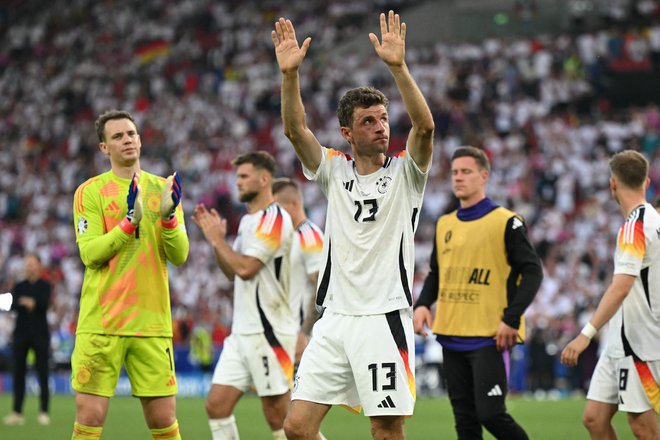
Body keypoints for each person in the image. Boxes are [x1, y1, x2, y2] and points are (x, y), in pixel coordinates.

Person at [273, 10, 435, 440]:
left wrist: (398, 67)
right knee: (297, 428)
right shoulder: (333, 169)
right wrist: (290, 76)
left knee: (385, 430)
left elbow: (425, 126)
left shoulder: (406, 174)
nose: (380, 127)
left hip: (383, 316)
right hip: (335, 319)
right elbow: (295, 129)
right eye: (368, 121)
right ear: (347, 132)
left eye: (382, 119)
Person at [71, 109, 188, 440]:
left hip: (151, 324)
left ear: (140, 139)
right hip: (102, 324)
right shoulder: (90, 192)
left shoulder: (162, 189)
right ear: (104, 148)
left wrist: (167, 219)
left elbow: (180, 255)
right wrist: (128, 223)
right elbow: (90, 254)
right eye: (118, 136)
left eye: (131, 134)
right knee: (90, 416)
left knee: (164, 420)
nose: (127, 140)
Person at [413, 146, 543, 440]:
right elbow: (436, 272)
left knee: (492, 414)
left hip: (489, 335)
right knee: (465, 422)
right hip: (451, 333)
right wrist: (422, 304)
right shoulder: (445, 223)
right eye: (455, 172)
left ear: (484, 176)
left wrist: (512, 319)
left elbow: (533, 271)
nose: (458, 178)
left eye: (466, 172)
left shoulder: (507, 221)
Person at [192, 151, 296, 440]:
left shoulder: (274, 219)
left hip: (269, 332)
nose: (237, 182)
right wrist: (217, 244)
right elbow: (232, 271)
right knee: (216, 406)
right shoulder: (250, 221)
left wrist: (217, 240)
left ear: (264, 179)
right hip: (243, 332)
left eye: (243, 176)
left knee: (279, 418)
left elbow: (247, 268)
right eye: (237, 176)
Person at [560, 150, 660, 440]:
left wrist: (585, 335)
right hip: (619, 339)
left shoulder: (636, 226)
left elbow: (621, 286)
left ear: (612, 184)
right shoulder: (649, 219)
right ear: (647, 182)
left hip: (639, 343)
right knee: (594, 418)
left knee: (643, 428)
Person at [271, 177, 324, 365]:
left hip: (304, 340)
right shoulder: (288, 238)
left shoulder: (309, 236)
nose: (273, 215)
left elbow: (321, 287)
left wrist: (305, 332)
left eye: (277, 208)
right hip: (288, 334)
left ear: (294, 204)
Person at [3, 253, 52, 426]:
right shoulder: (20, 285)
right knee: (18, 373)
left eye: (32, 263)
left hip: (40, 335)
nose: (29, 267)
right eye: (27, 264)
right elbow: (13, 304)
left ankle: (44, 412)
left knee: (43, 373)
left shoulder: (45, 285)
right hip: (21, 334)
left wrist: (29, 302)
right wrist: (26, 302)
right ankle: (17, 412)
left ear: (39, 265)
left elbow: (43, 304)